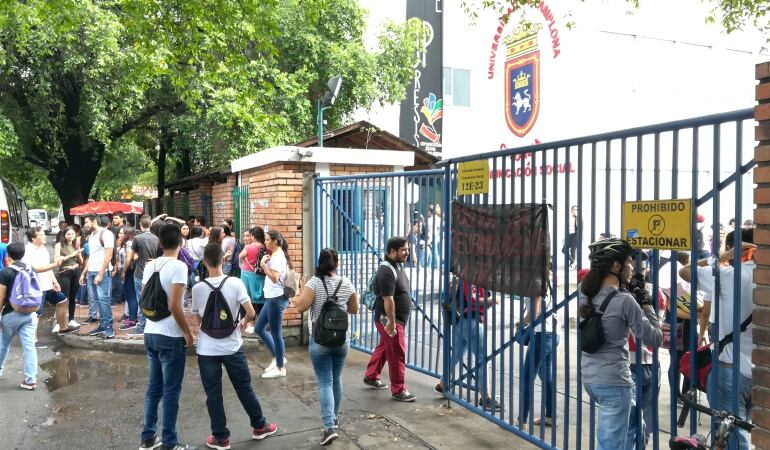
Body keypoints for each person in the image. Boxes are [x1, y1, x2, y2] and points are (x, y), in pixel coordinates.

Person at [578, 238, 662, 450]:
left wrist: (627, 291)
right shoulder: (625, 301)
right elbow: (654, 338)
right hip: (614, 382)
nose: (633, 267)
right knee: (610, 445)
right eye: (629, 262)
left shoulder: (584, 291)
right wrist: (646, 305)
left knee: (634, 423)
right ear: (616, 266)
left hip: (590, 378)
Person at [192, 244, 278, 449]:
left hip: (206, 350)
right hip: (232, 346)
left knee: (213, 394)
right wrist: (242, 323)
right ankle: (259, 426)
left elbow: (198, 319)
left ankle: (221, 438)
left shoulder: (197, 288)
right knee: (244, 388)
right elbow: (251, 312)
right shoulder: (235, 283)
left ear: (204, 262)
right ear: (223, 260)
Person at [679, 228, 755, 450]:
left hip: (729, 369)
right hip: (759, 371)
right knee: (745, 429)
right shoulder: (764, 276)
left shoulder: (727, 276)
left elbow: (685, 271)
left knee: (730, 435)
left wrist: (721, 257)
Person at [291, 248, 359, 445]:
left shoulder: (313, 283)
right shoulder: (346, 283)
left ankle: (329, 426)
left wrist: (299, 291)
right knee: (335, 379)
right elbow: (354, 309)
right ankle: (334, 419)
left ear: (319, 262)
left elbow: (300, 307)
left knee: (324, 382)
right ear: (337, 263)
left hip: (320, 341)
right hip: (341, 341)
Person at [139, 224, 195, 450]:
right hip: (170, 336)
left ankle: (148, 438)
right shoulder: (179, 267)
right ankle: (169, 442)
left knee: (154, 388)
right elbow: (174, 305)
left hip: (150, 332)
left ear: (160, 243)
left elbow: (143, 296)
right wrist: (187, 331)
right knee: (171, 391)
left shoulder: (150, 265)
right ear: (180, 243)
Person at [363, 236, 416, 402]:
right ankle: (399, 390)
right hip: (390, 320)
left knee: (386, 348)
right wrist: (392, 323)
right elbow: (388, 300)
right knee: (397, 353)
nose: (407, 252)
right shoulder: (386, 271)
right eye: (403, 250)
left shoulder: (397, 265)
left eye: (407, 249)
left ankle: (371, 376)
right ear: (392, 251)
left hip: (395, 319)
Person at [435, 279, 500, 411]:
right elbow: (473, 300)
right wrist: (492, 299)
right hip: (471, 322)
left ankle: (442, 384)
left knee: (456, 356)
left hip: (461, 322)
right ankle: (485, 397)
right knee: (482, 360)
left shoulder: (468, 279)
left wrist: (489, 300)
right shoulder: (469, 279)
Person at [518, 263, 560, 427]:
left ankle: (522, 420)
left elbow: (534, 313)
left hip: (541, 335)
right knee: (546, 376)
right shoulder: (550, 284)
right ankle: (550, 416)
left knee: (527, 377)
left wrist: (521, 323)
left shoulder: (536, 284)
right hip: (553, 334)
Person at [0, 242, 42, 390]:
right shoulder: (31, 269)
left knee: (3, 344)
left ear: (8, 255)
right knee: (29, 347)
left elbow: (1, 297)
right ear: (23, 254)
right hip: (30, 313)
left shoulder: (5, 272)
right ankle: (30, 381)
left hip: (11, 314)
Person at [23, 227, 79, 335]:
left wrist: (54, 281)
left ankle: (63, 328)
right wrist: (55, 264)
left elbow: (48, 267)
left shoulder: (43, 249)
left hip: (47, 284)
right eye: (41, 235)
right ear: (33, 238)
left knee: (62, 300)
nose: (44, 236)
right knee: (36, 313)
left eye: (44, 234)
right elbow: (35, 269)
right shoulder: (28, 251)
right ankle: (32, 338)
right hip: (35, 287)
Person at [255, 230, 291, 379]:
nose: (265, 242)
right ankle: (279, 357)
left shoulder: (277, 256)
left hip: (276, 298)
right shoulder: (278, 254)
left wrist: (263, 265)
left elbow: (275, 278)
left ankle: (280, 367)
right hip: (272, 298)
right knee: (259, 328)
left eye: (268, 239)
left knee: (276, 333)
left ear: (275, 241)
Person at [78, 215, 115, 338]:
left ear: (94, 221)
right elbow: (92, 257)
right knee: (97, 300)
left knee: (103, 300)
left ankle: (109, 327)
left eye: (86, 222)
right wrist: (84, 273)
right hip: (91, 272)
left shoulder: (106, 234)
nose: (85, 225)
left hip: (101, 272)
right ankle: (103, 325)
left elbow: (108, 256)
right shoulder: (91, 236)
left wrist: (100, 273)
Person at [124, 215, 159, 336]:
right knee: (152, 299)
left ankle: (142, 326)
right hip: (153, 273)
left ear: (140, 224)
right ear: (150, 225)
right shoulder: (156, 238)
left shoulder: (137, 238)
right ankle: (150, 324)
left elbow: (129, 257)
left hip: (140, 273)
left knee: (142, 300)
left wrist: (124, 271)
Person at [54, 226, 84, 329]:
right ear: (64, 235)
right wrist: (71, 255)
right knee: (63, 298)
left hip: (76, 271)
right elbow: (57, 261)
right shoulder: (59, 245)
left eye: (73, 234)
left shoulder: (76, 245)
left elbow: (81, 262)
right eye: (68, 234)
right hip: (65, 272)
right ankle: (59, 323)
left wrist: (78, 254)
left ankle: (71, 319)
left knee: (73, 297)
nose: (71, 236)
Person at [239, 227, 267, 334]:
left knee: (248, 298)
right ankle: (260, 323)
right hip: (261, 275)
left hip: (247, 274)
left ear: (253, 236)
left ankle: (250, 323)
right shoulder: (266, 247)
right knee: (260, 298)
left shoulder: (249, 247)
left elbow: (240, 256)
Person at [116, 227, 139, 330]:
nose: (119, 235)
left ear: (127, 234)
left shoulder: (129, 243)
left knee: (131, 296)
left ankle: (132, 320)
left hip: (129, 272)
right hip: (129, 272)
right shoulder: (127, 243)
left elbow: (130, 258)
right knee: (130, 296)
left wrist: (124, 271)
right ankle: (132, 317)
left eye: (121, 233)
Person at [563, 205, 581, 270]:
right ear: (571, 210)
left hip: (576, 236)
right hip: (569, 235)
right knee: (564, 249)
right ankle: (573, 262)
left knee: (572, 250)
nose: (575, 210)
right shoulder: (569, 218)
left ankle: (572, 265)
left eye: (576, 209)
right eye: (574, 209)